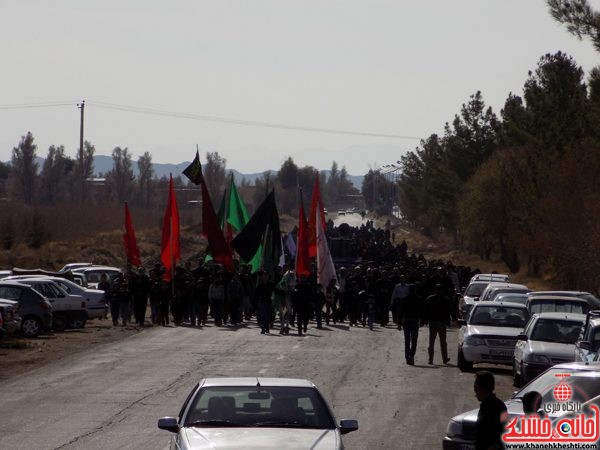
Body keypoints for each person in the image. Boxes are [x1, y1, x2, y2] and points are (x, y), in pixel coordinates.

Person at [474, 371, 507, 450]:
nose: (475, 392)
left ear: (483, 389)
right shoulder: (499, 406)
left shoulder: (494, 407)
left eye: (476, 389)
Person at [423, 283, 453, 365]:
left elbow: (426, 310)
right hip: (442, 322)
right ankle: (445, 358)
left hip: (432, 322)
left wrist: (425, 320)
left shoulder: (429, 299)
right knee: (443, 342)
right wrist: (448, 321)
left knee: (431, 342)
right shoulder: (445, 299)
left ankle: (430, 359)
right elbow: (448, 311)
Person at [398, 284, 421, 365]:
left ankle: (407, 357)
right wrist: (421, 321)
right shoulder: (418, 299)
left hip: (406, 321)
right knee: (414, 340)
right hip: (415, 321)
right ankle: (411, 355)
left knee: (407, 340)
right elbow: (421, 311)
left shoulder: (405, 299)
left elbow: (401, 312)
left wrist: (399, 323)